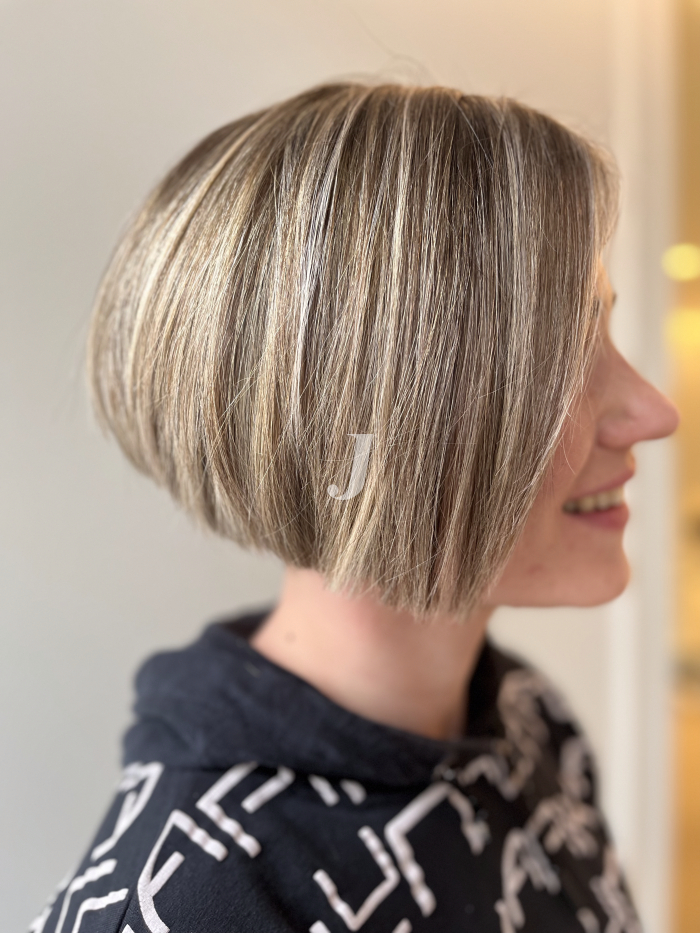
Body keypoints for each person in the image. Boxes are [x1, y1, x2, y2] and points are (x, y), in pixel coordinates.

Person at [30, 80, 679, 933]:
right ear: (360, 426)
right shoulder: (191, 904)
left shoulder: (525, 717)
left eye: (604, 329)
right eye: (561, 355)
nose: (654, 412)